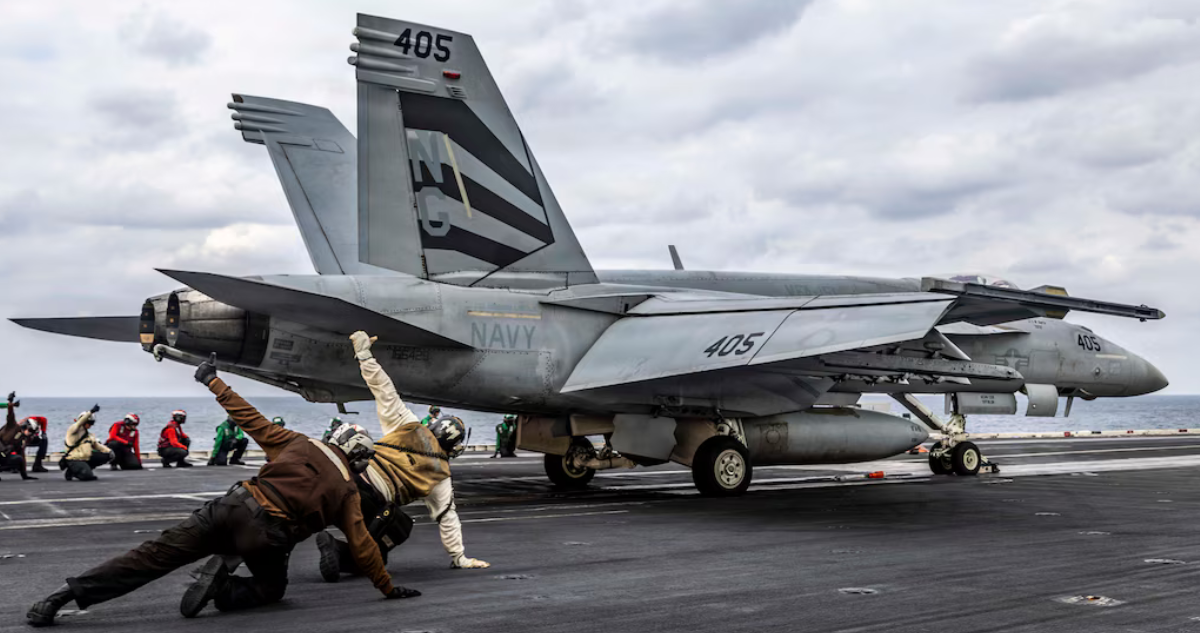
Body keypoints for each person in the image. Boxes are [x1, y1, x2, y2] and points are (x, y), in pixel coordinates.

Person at [25, 354, 419, 627]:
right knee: (271, 589)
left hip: (230, 505)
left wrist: (213, 380)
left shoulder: (299, 442)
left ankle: (56, 599)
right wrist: (387, 587)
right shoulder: (349, 490)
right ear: (359, 459)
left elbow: (249, 418)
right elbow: (364, 546)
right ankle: (226, 587)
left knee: (149, 556)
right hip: (266, 535)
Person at [315, 331, 488, 583]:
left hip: (346, 475)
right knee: (400, 526)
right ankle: (344, 553)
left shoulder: (409, 425)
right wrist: (459, 556)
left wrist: (364, 354)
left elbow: (383, 388)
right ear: (453, 447)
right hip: (369, 500)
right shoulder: (441, 475)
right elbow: (447, 517)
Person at [62, 406, 113, 481]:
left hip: (85, 458)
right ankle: (72, 471)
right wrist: (91, 412)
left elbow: (97, 445)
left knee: (105, 456)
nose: (90, 425)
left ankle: (85, 469)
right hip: (74, 459)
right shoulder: (73, 430)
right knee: (88, 477)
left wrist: (109, 451)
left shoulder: (89, 435)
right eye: (88, 423)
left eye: (91, 423)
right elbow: (79, 423)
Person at [0, 392, 40, 481]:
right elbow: (10, 414)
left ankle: (23, 476)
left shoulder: (23, 439)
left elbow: (21, 455)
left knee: (19, 458)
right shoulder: (13, 426)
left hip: (4, 456)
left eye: (33, 433)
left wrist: (25, 475)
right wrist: (10, 401)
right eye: (31, 431)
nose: (31, 434)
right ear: (26, 426)